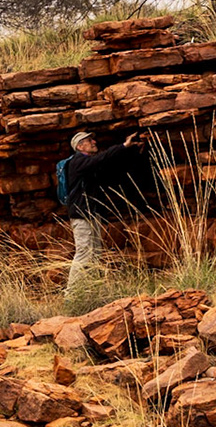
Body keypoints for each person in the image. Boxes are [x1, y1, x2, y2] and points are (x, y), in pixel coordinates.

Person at [59, 128, 149, 299]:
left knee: (95, 253)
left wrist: (130, 151)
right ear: (79, 146)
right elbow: (103, 158)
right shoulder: (78, 162)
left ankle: (89, 293)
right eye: (89, 140)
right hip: (81, 216)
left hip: (91, 215)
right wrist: (123, 145)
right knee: (84, 253)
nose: (94, 142)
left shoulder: (88, 164)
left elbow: (108, 165)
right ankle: (70, 297)